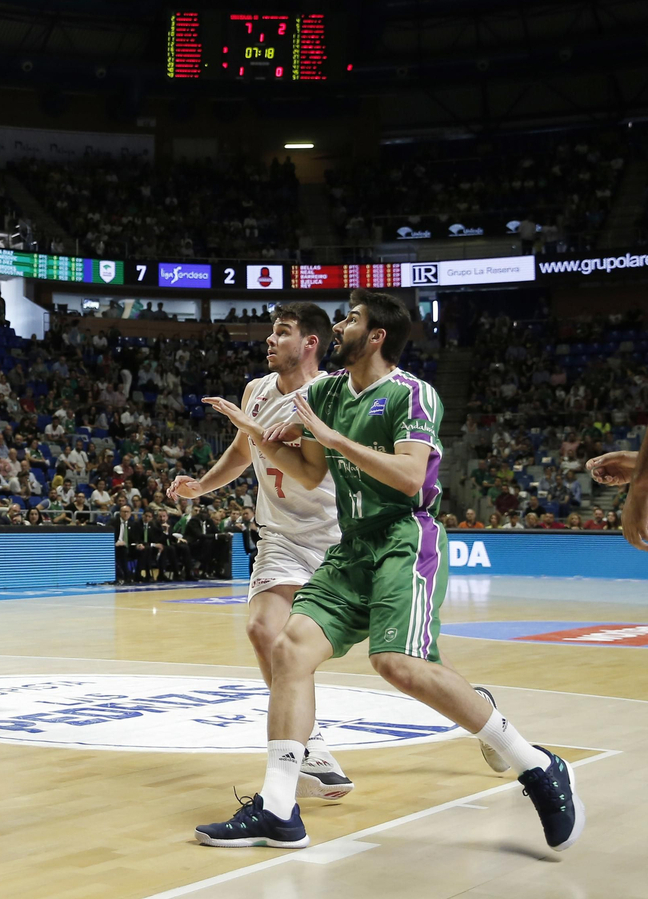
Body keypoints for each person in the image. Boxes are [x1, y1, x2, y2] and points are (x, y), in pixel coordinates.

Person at [196, 290, 581, 853]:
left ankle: (537, 764)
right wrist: (254, 433)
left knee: (395, 663)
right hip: (351, 546)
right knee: (287, 649)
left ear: (375, 337)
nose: (339, 327)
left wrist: (332, 439)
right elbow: (306, 471)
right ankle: (278, 809)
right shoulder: (324, 392)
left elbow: (408, 476)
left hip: (405, 539)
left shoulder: (411, 393)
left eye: (350, 320)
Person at [171, 303, 354, 800]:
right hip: (280, 537)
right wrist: (202, 487)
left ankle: (480, 711)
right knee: (263, 629)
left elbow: (309, 472)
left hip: (337, 540)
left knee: (399, 663)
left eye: (282, 332)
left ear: (310, 342)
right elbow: (241, 450)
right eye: (272, 332)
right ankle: (309, 746)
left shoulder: (334, 395)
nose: (269, 341)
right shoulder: (255, 390)